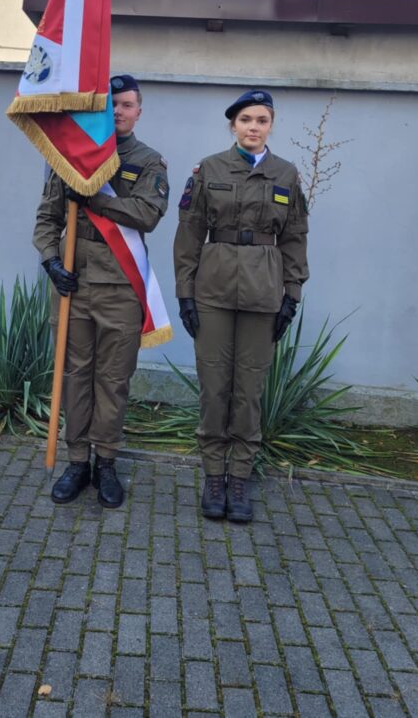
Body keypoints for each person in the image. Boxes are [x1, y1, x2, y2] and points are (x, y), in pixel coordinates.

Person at [33, 74, 169, 508]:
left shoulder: (149, 161)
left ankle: (105, 461)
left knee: (112, 379)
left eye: (127, 104)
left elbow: (147, 214)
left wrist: (96, 199)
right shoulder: (69, 157)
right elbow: (47, 218)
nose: (119, 111)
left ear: (139, 111)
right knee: (74, 377)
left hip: (120, 288)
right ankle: (77, 461)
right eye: (111, 104)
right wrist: (51, 260)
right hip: (73, 283)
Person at [173, 89, 308, 523]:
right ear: (233, 125)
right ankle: (214, 475)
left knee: (249, 390)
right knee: (214, 387)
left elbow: (295, 238)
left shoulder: (286, 174)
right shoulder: (209, 169)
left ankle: (240, 478)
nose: (253, 127)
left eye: (262, 120)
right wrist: (185, 293)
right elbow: (189, 234)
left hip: (263, 293)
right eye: (246, 119)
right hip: (212, 290)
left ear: (271, 126)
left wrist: (291, 294)